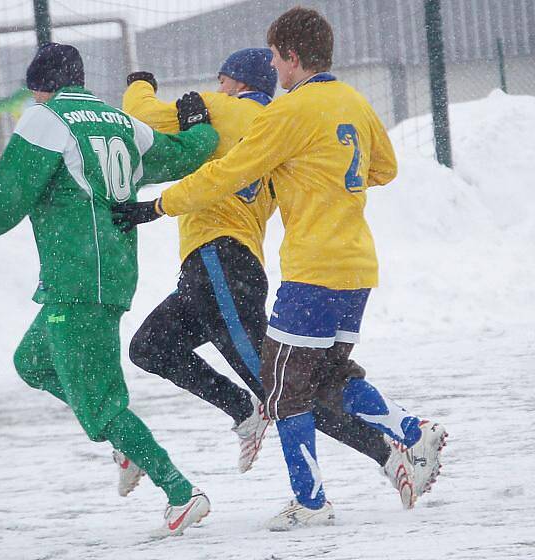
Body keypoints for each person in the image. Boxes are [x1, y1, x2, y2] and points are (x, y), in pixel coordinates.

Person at [112, 8, 448, 531]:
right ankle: (403, 433)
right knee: (329, 375)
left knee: (283, 386)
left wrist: (156, 206)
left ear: (290, 58)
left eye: (276, 56)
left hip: (298, 264)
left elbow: (225, 171)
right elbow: (385, 168)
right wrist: (324, 174)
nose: (274, 67)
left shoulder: (278, 113)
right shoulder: (352, 101)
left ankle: (324, 493)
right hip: (357, 264)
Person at [0, 42, 219, 538]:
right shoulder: (125, 124)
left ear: (42, 86)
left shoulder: (45, 120)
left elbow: (6, 203)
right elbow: (186, 157)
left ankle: (181, 492)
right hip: (111, 274)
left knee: (102, 404)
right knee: (32, 362)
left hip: (78, 280)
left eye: (34, 90)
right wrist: (199, 127)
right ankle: (126, 444)